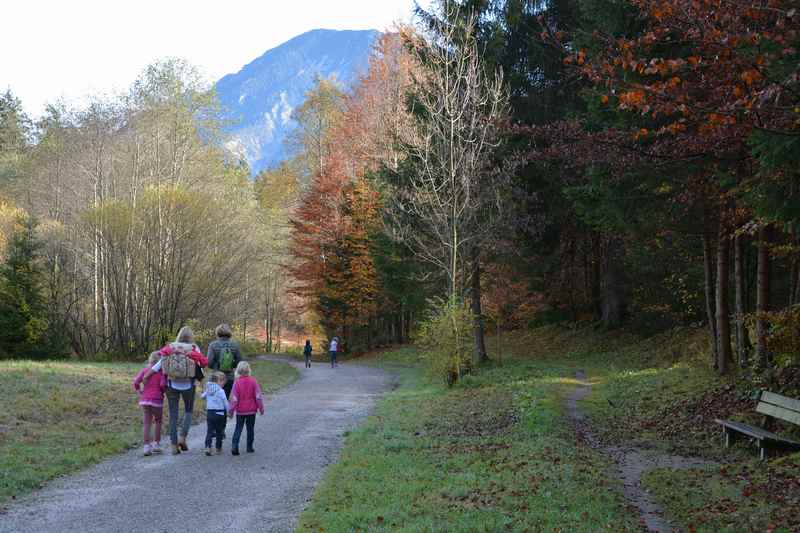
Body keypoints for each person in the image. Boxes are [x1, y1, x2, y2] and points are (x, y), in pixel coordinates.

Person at [145, 326, 208, 455]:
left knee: (173, 415)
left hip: (172, 385)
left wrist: (146, 376)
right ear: (191, 337)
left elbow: (159, 364)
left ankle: (174, 446)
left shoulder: (171, 347)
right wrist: (203, 383)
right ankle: (182, 437)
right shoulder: (194, 348)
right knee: (189, 411)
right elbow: (200, 366)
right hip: (188, 385)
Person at [133, 351, 167, 456]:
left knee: (147, 423)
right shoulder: (161, 372)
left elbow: (136, 382)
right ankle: (156, 444)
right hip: (157, 400)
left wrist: (139, 391)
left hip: (145, 399)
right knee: (158, 421)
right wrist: (163, 392)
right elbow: (162, 385)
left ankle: (146, 447)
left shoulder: (144, 370)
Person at [228, 361, 264, 456]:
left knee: (238, 428)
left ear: (238, 371)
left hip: (240, 411)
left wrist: (231, 411)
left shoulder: (237, 383)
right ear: (249, 370)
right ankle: (249, 447)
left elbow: (234, 399)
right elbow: (258, 396)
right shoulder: (253, 381)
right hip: (251, 411)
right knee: (250, 429)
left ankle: (234, 446)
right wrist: (261, 408)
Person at [207, 323, 242, 399]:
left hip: (215, 377)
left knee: (214, 400)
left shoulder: (213, 345)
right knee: (224, 399)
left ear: (217, 332)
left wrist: (216, 366)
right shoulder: (235, 345)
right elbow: (239, 361)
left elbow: (209, 362)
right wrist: (231, 366)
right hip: (229, 377)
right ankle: (224, 411)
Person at [201, 372, 229, 456]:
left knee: (209, 430)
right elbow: (225, 403)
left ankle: (208, 447)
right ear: (218, 381)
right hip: (219, 413)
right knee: (219, 431)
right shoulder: (221, 391)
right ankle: (218, 448)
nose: (223, 384)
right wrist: (229, 411)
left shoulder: (208, 389)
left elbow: (202, 396)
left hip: (210, 413)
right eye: (222, 382)